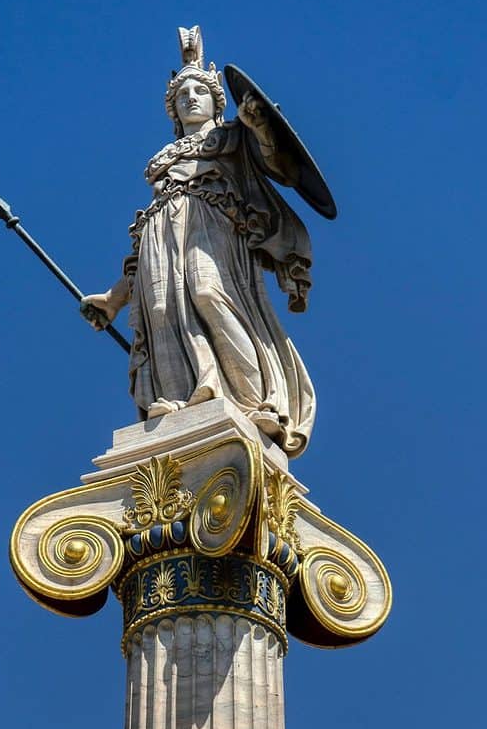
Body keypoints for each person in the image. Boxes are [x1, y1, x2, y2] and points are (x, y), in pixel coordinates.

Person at [82, 26, 316, 458]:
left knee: (208, 293)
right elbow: (137, 251)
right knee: (158, 308)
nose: (190, 97)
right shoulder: (165, 164)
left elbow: (279, 167)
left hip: (211, 223)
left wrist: (261, 127)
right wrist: (113, 299)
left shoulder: (231, 138)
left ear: (216, 100)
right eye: (181, 93)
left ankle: (255, 401)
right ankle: (175, 398)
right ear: (172, 110)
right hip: (161, 230)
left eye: (199, 90)